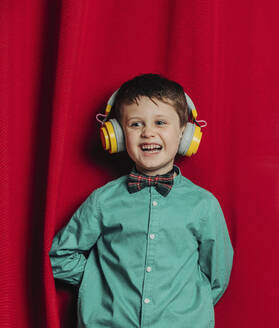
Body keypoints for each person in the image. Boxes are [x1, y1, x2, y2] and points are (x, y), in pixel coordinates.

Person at [49, 74, 234, 328]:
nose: (148, 133)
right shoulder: (103, 200)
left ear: (184, 132)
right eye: (136, 124)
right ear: (119, 134)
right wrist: (100, 283)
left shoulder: (204, 205)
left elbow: (216, 278)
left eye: (160, 122)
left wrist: (186, 310)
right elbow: (59, 256)